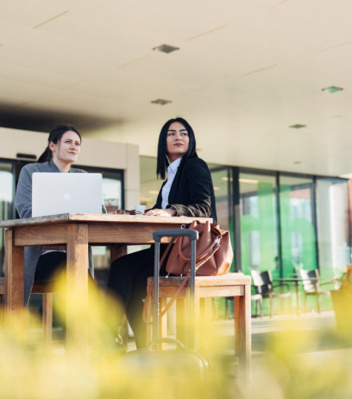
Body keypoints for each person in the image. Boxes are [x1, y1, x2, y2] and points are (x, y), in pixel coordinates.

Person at [106, 118, 217, 349]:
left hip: (187, 253)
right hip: (169, 250)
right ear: (163, 142)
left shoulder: (194, 166)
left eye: (184, 133)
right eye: (172, 134)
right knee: (133, 283)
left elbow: (204, 209)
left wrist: (171, 211)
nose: (178, 137)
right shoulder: (171, 175)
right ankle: (145, 349)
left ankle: (106, 338)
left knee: (120, 268)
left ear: (191, 139)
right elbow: (162, 212)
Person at [13, 125, 96, 305]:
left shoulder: (82, 176)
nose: (74, 146)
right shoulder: (31, 171)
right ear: (52, 145)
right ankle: (99, 330)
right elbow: (25, 210)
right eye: (68, 142)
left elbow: (98, 211)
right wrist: (68, 213)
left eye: (77, 143)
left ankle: (94, 330)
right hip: (42, 257)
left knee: (82, 272)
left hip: (76, 254)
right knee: (76, 274)